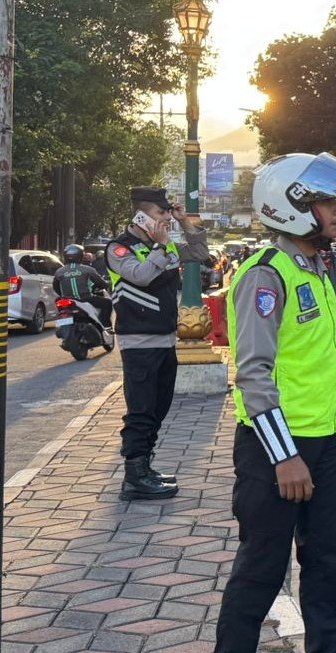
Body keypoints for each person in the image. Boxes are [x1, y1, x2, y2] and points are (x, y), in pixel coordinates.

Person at [208, 151, 336, 653]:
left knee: (329, 563)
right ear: (291, 206)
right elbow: (253, 374)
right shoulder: (265, 275)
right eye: (327, 203)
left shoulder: (318, 266)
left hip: (325, 444)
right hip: (275, 449)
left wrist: (325, 445)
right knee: (263, 565)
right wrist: (285, 455)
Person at [105, 187, 211, 500]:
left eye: (167, 213)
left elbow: (200, 254)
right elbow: (140, 276)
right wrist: (161, 247)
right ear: (141, 216)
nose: (166, 218)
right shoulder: (119, 248)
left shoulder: (164, 246)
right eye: (160, 213)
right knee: (140, 410)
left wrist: (185, 223)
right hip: (138, 341)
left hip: (165, 339)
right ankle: (133, 477)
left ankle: (146, 467)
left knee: (159, 407)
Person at [51, 244, 112, 329]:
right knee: (108, 303)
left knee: (60, 306)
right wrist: (106, 285)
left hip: (66, 301)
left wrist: (64, 296)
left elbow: (56, 287)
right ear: (81, 256)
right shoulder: (88, 269)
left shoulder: (59, 271)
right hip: (86, 299)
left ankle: (62, 326)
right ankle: (106, 327)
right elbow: (101, 283)